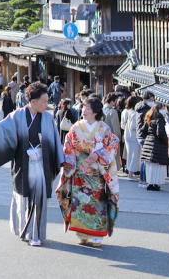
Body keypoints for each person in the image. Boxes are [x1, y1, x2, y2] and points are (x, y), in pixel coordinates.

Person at [0, 82, 65, 247]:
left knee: (40, 198)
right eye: (43, 101)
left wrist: (62, 161)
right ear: (32, 102)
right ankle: (26, 230)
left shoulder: (49, 118)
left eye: (47, 101)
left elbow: (56, 141)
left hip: (42, 165)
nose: (46, 105)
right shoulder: (17, 116)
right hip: (24, 164)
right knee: (24, 199)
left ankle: (35, 234)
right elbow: (4, 131)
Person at [56, 96, 120, 248]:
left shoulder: (104, 129)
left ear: (96, 112)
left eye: (88, 108)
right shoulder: (76, 127)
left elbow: (113, 144)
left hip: (96, 174)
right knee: (80, 203)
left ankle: (97, 235)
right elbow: (69, 146)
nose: (84, 110)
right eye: (84, 107)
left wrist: (98, 155)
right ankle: (82, 233)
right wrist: (70, 162)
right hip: (79, 173)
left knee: (96, 202)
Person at [140, 103, 169, 191]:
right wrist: (165, 140)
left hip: (148, 143)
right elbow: (160, 133)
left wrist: (148, 137)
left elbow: (142, 130)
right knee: (157, 166)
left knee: (150, 166)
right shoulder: (159, 119)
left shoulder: (149, 118)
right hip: (157, 144)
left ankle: (150, 183)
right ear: (159, 110)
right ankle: (155, 184)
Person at [121, 95, 141, 181]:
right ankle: (130, 174)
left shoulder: (125, 111)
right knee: (134, 155)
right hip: (133, 136)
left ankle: (130, 172)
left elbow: (122, 125)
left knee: (129, 154)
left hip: (127, 134)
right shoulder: (135, 113)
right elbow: (133, 126)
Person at [103, 93, 123, 170]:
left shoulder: (102, 109)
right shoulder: (113, 111)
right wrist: (118, 138)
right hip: (110, 138)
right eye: (115, 101)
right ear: (112, 102)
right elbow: (115, 127)